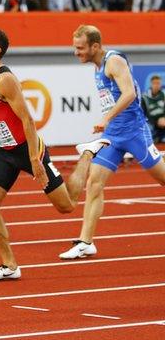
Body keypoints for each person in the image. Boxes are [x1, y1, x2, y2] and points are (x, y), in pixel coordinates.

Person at [0, 13, 109, 282]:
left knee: (66, 206)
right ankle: (9, 266)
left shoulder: (4, 79)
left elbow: (28, 120)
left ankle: (88, 153)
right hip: (5, 151)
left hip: (29, 150)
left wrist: (35, 161)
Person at [59, 25, 165, 259]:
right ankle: (86, 242)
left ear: (95, 46)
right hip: (113, 137)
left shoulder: (113, 61)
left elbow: (129, 94)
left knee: (162, 178)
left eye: (80, 48)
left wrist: (106, 118)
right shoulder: (96, 67)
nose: (76, 52)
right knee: (94, 183)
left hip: (135, 132)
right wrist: (109, 123)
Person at [141, 75, 165, 143]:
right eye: (154, 83)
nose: (156, 85)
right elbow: (143, 114)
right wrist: (155, 121)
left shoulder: (163, 95)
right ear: (151, 84)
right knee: (149, 133)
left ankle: (162, 138)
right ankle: (154, 139)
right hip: (150, 121)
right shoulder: (144, 97)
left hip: (162, 120)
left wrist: (163, 118)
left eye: (158, 83)